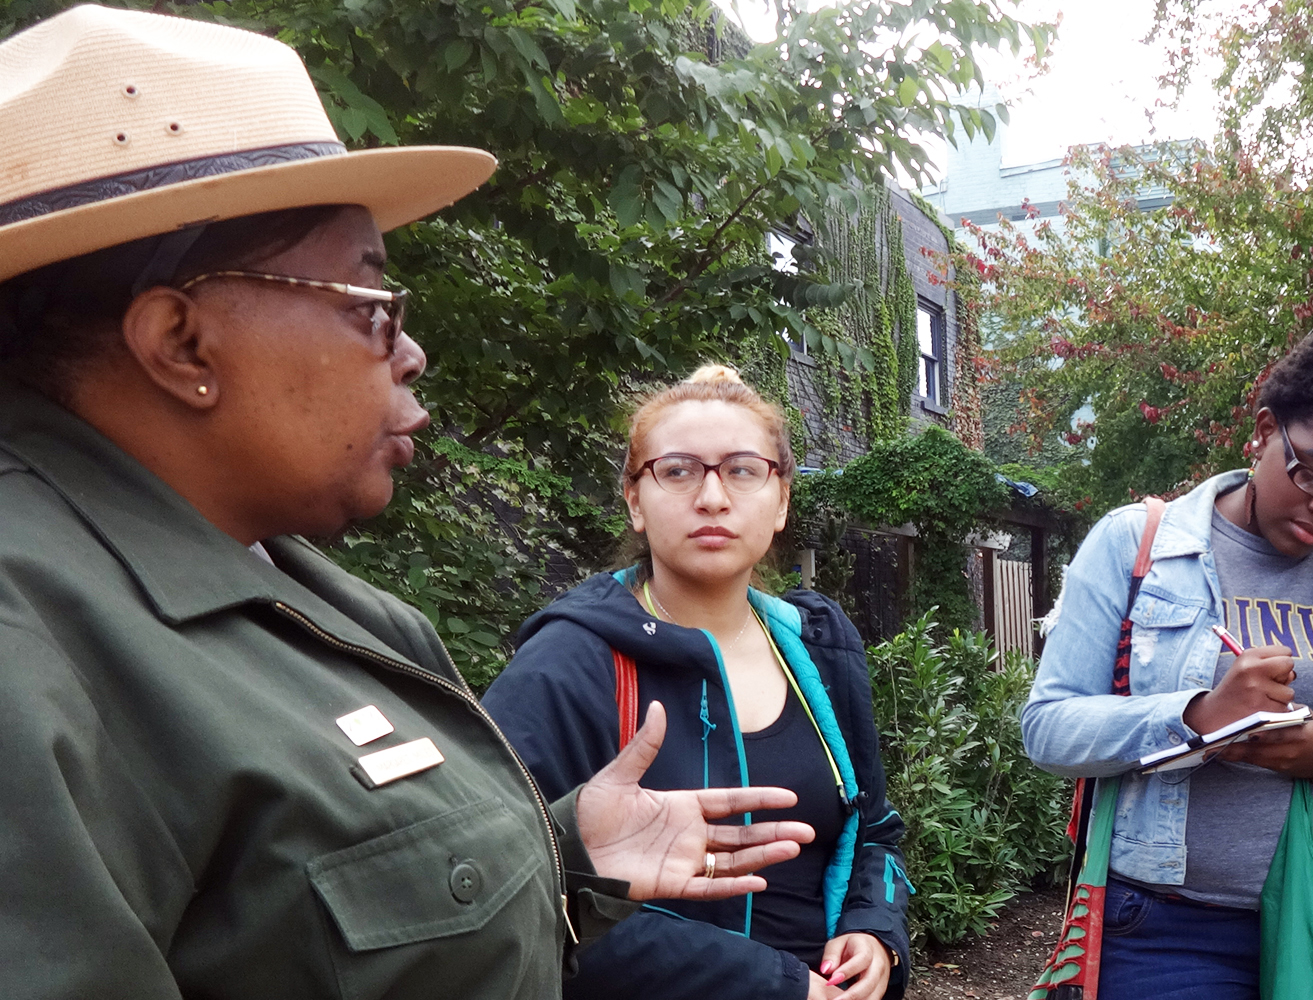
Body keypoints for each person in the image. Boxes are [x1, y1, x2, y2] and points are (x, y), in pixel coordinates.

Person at [0, 8, 813, 999]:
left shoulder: (295, 584)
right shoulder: (31, 641)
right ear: (181, 342)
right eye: (368, 299)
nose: (409, 349)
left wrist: (559, 853)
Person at [1022, 327, 1313, 999]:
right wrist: (1197, 717)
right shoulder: (1136, 545)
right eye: (1310, 472)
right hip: (1171, 934)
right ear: (1264, 432)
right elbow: (1049, 728)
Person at [482, 366, 911, 1000]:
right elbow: (504, 890)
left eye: (742, 469)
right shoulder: (569, 664)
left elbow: (874, 829)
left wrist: (873, 929)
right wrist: (777, 987)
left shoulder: (819, 647)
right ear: (635, 500)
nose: (712, 497)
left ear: (782, 499)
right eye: (678, 470)